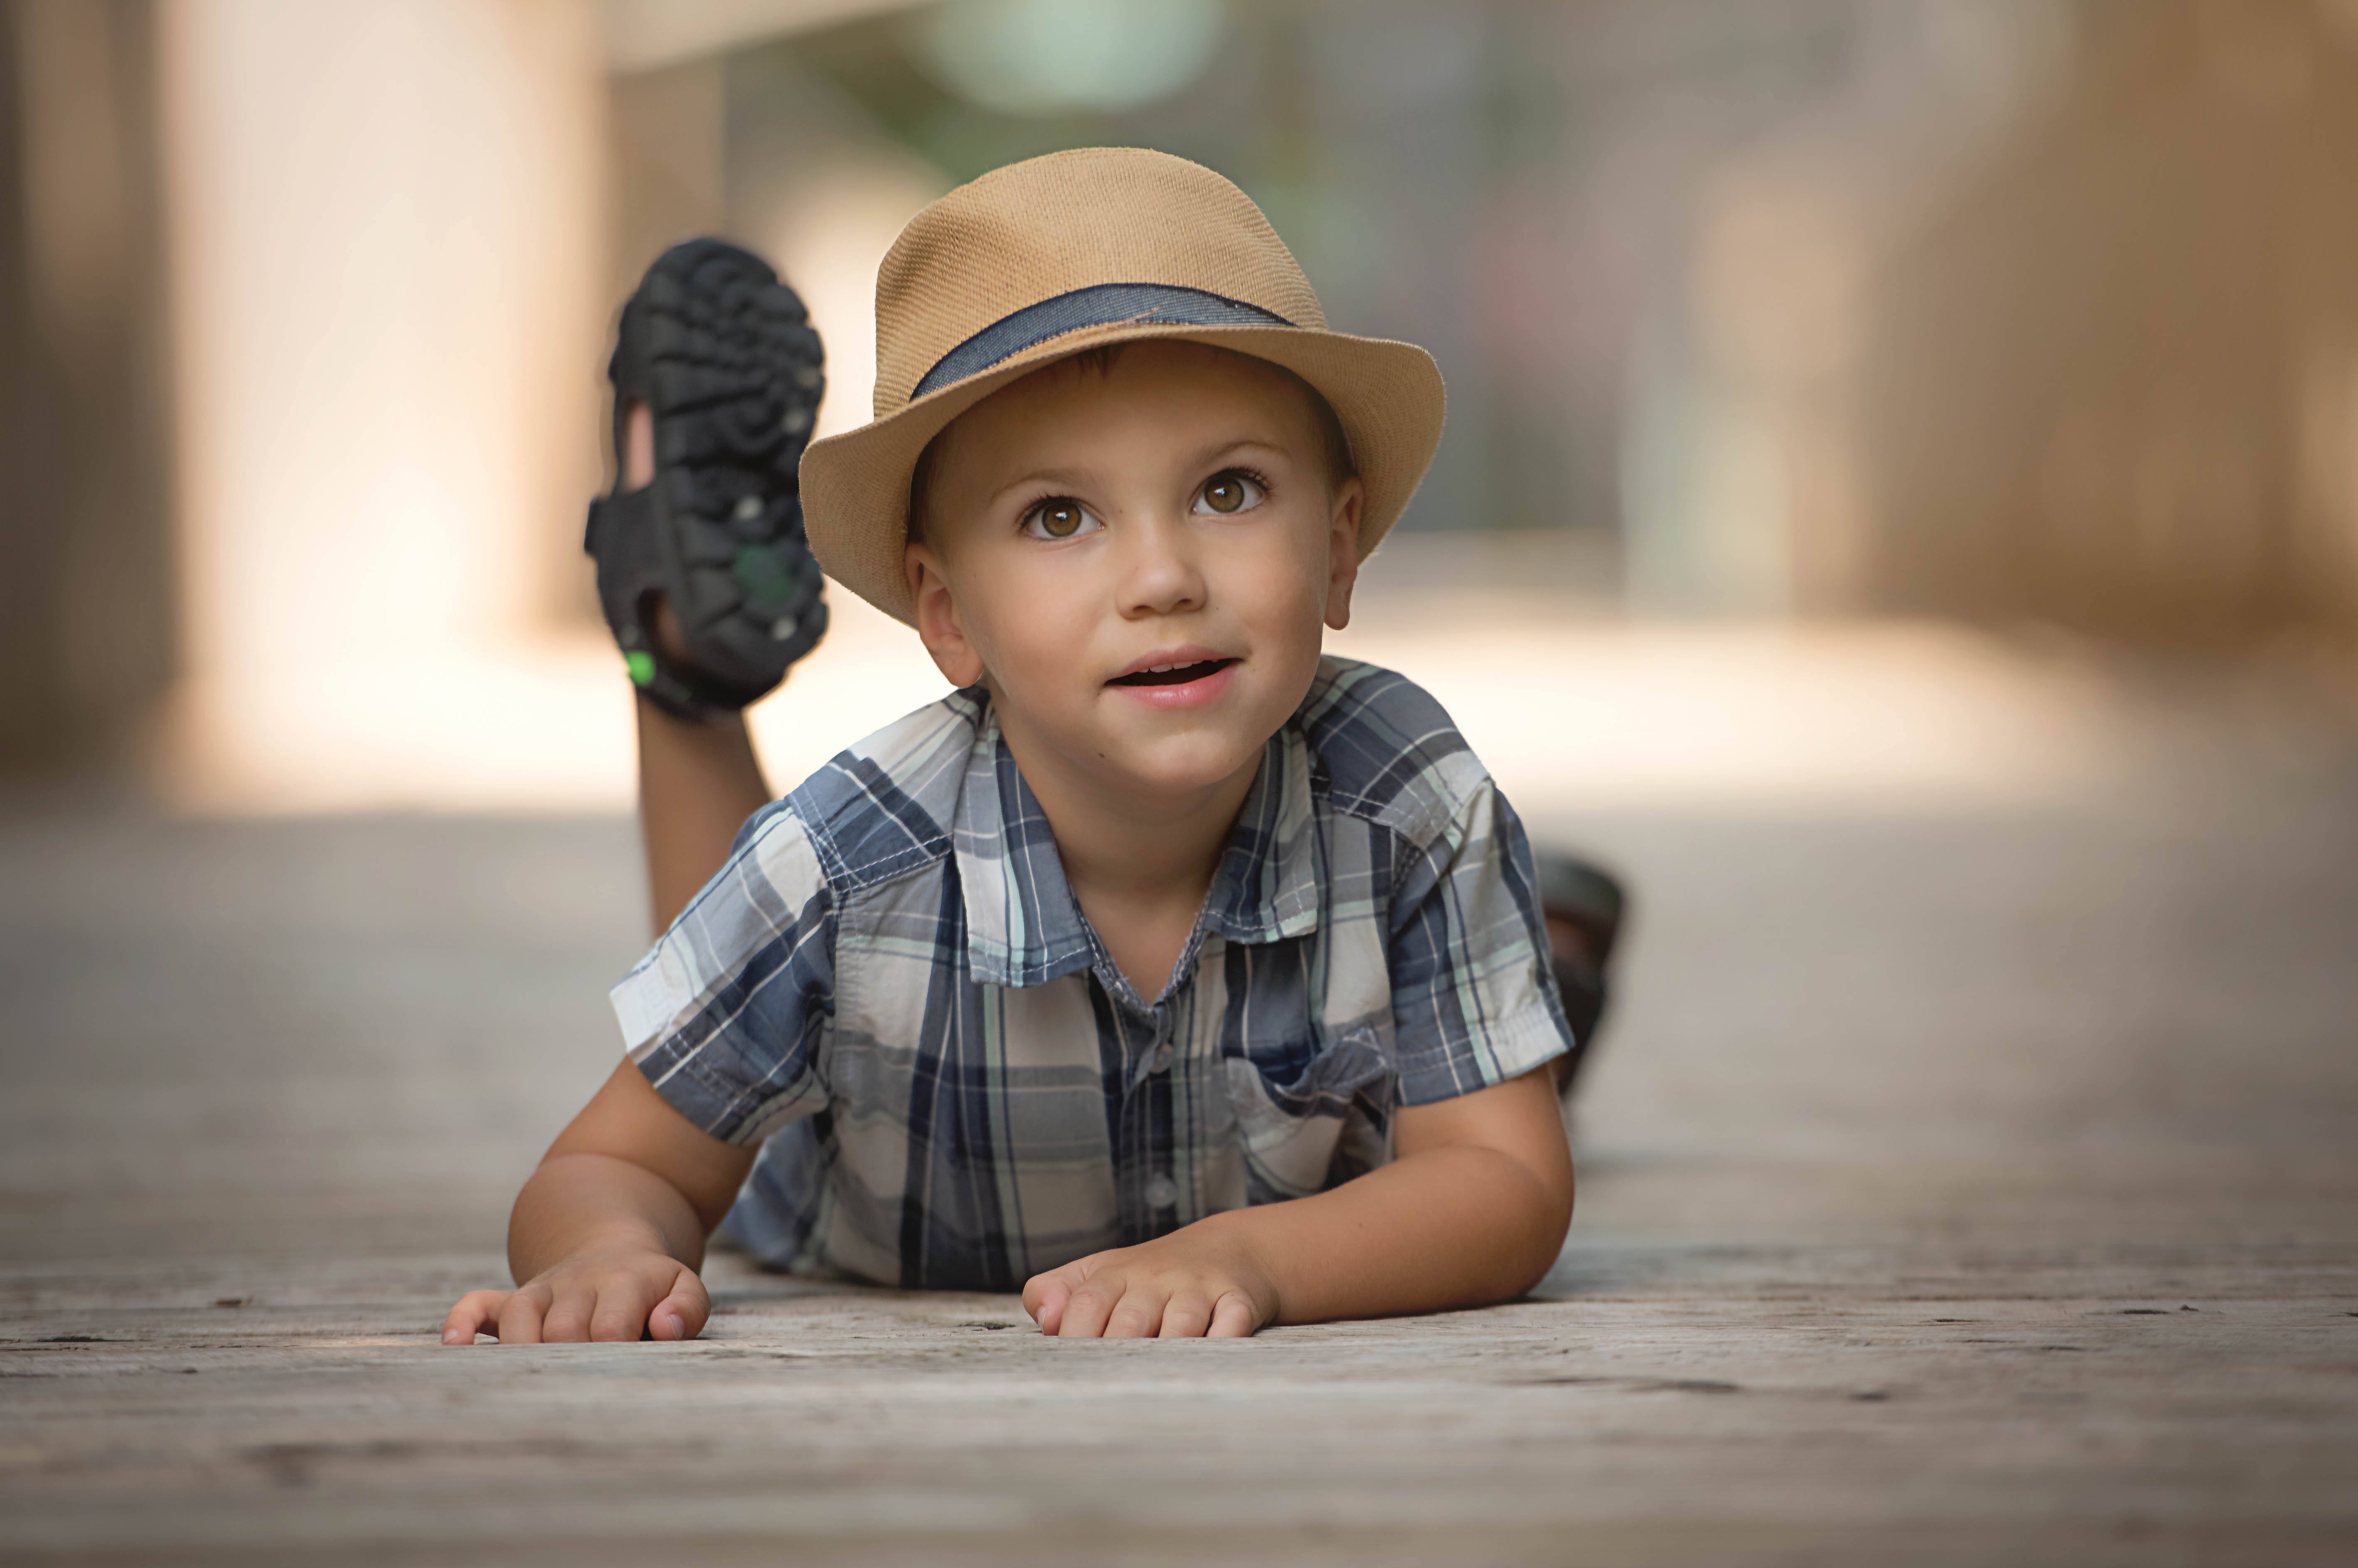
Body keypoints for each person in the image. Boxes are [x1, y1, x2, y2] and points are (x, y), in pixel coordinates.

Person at [442, 148, 1621, 1345]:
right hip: (852, 1145)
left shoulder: (1410, 796)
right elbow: (611, 1162)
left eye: (1229, 491)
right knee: (769, 953)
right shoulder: (854, 857)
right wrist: (607, 1255)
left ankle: (1535, 972)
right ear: (947, 616)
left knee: (1453, 1083)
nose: (1163, 578)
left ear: (1338, 547)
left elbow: (1506, 1186)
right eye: (1060, 516)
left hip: (1308, 1163)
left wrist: (1249, 1258)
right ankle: (683, 681)